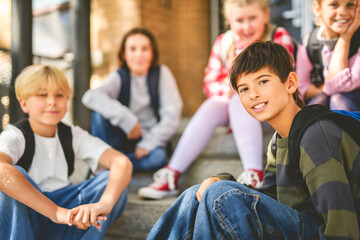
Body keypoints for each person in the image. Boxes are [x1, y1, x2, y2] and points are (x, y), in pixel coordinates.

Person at [146, 41, 360, 239]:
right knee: (198, 193)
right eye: (244, 89)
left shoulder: (316, 135)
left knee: (221, 194)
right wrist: (222, 180)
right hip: (296, 225)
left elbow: (342, 227)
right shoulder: (279, 141)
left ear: (291, 83)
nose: (253, 95)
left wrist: (223, 190)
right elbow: (267, 198)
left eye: (263, 81)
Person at [138, 0, 295, 200]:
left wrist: (240, 89)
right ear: (229, 20)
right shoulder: (225, 43)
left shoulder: (278, 37)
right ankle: (172, 173)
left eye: (252, 18)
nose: (246, 26)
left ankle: (255, 174)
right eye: (239, 20)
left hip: (270, 109)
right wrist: (227, 89)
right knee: (213, 104)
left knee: (239, 98)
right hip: (236, 109)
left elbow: (282, 78)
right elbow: (209, 82)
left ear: (265, 15)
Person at [0, 65, 132, 239]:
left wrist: (103, 204)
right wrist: (54, 212)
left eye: (59, 95)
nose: (52, 101)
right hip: (28, 214)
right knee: (11, 177)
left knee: (112, 181)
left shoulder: (71, 135)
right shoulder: (16, 135)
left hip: (67, 215)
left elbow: (121, 162)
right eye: (42, 94)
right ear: (24, 103)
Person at [82, 27, 183, 172]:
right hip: (120, 138)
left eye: (145, 49)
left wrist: (148, 143)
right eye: (133, 49)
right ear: (124, 54)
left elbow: (172, 116)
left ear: (152, 53)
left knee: (158, 157)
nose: (139, 54)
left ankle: (112, 166)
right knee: (98, 116)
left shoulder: (162, 74)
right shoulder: (119, 76)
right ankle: (107, 164)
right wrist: (127, 119)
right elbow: (90, 97)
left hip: (146, 142)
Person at [296, 0, 360, 110]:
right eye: (334, 5)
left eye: (350, 5)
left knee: (338, 99)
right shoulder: (309, 41)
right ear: (317, 8)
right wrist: (326, 90)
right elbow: (301, 89)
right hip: (325, 101)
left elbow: (337, 85)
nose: (342, 12)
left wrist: (345, 37)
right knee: (316, 106)